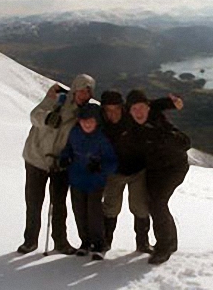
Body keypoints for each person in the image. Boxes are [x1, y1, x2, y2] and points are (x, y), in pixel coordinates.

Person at [17, 74, 96, 255]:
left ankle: (60, 241)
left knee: (59, 204)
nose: (84, 95)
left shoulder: (84, 113)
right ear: (75, 88)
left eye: (88, 92)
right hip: (36, 158)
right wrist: (48, 118)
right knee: (34, 202)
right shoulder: (57, 99)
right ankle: (30, 241)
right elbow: (35, 115)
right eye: (82, 90)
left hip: (60, 163)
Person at [100, 90, 184, 254]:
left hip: (138, 170)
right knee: (111, 207)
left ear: (123, 108)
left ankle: (143, 243)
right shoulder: (101, 121)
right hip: (114, 172)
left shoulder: (131, 115)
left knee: (141, 207)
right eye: (108, 110)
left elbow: (148, 104)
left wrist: (171, 103)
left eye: (116, 108)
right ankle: (106, 241)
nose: (113, 113)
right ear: (103, 110)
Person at [125, 89, 191, 265]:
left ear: (148, 108)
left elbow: (186, 143)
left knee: (157, 203)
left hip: (174, 168)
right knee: (153, 202)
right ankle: (171, 242)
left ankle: (163, 248)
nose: (138, 112)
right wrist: (170, 103)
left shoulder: (159, 125)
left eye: (141, 107)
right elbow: (155, 103)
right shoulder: (133, 121)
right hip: (154, 169)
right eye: (134, 109)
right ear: (129, 111)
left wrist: (170, 138)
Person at [59, 103, 117, 260]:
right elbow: (67, 150)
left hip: (95, 182)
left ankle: (99, 244)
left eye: (90, 120)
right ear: (79, 121)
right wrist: (64, 159)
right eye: (84, 120)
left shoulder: (101, 138)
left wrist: (100, 166)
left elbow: (112, 161)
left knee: (94, 212)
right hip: (77, 178)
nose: (87, 123)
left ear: (97, 121)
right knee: (79, 211)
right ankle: (85, 242)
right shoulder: (74, 133)